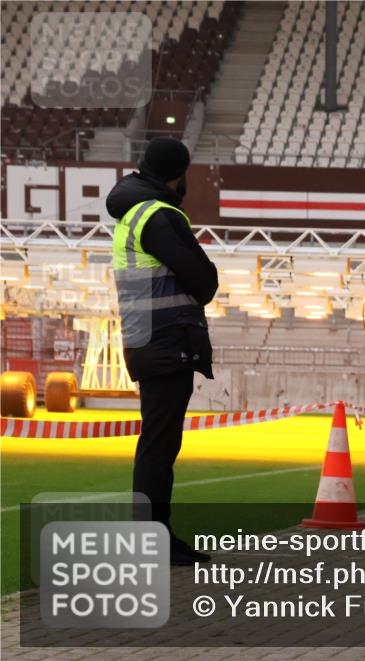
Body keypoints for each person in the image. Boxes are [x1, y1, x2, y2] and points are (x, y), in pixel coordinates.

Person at [108, 137, 218, 567]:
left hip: (149, 339)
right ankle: (153, 539)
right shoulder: (159, 215)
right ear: (179, 173)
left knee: (156, 442)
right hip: (166, 340)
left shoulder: (134, 212)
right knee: (158, 445)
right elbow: (204, 282)